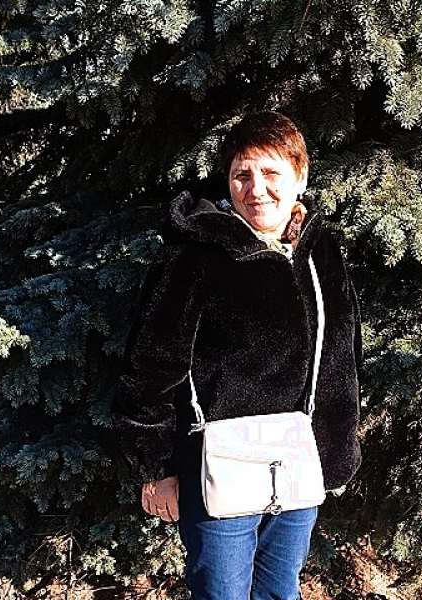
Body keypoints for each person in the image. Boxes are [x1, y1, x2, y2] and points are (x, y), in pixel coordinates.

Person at [112, 111, 363, 600]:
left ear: (300, 177)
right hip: (217, 466)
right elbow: (150, 368)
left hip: (295, 461)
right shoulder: (195, 256)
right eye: (242, 175)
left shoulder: (320, 251)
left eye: (271, 173)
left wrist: (337, 450)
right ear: (227, 181)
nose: (257, 189)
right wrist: (155, 467)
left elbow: (341, 354)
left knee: (280, 591)